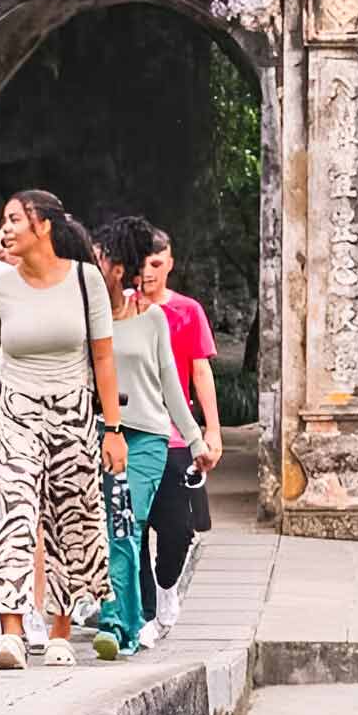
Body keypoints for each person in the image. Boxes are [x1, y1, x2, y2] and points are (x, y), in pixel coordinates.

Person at [0, 190, 123, 669]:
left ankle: (60, 631)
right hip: (15, 412)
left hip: (73, 413)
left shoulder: (85, 282)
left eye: (15, 219)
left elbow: (102, 356)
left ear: (43, 226)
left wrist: (114, 429)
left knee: (69, 519)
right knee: (16, 513)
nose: (5, 229)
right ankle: (11, 631)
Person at [89, 215, 203, 651]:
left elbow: (171, 384)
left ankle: (119, 625)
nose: (93, 262)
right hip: (96, 436)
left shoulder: (153, 318)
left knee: (127, 523)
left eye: (101, 256)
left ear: (119, 266)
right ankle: (132, 616)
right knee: (106, 531)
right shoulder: (87, 316)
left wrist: (195, 440)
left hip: (146, 438)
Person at [135, 228, 223, 638]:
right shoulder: (119, 310)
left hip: (173, 435)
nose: (149, 272)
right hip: (129, 430)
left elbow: (199, 371)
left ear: (170, 263)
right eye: (143, 263)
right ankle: (144, 613)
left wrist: (212, 430)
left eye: (157, 263)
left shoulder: (187, 311)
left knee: (175, 530)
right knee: (130, 530)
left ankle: (167, 585)